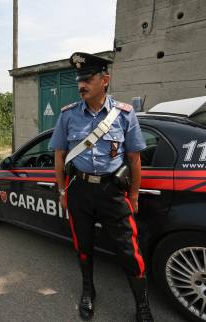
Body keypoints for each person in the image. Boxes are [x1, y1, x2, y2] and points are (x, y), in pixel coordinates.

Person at [50, 52, 153, 322]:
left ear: (104, 80)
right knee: (83, 246)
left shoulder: (124, 115)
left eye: (88, 78)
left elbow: (134, 159)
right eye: (79, 80)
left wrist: (134, 196)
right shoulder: (68, 115)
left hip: (112, 192)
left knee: (130, 252)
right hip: (80, 191)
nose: (81, 84)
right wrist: (62, 191)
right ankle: (88, 290)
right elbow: (59, 156)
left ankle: (142, 305)